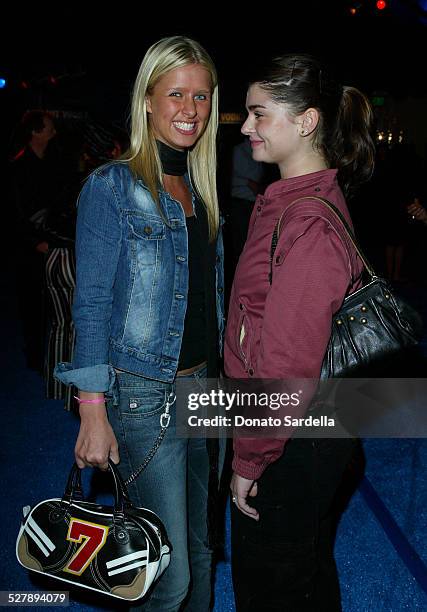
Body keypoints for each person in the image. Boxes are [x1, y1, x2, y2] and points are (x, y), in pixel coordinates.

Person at [55, 36, 224, 611]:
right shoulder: (112, 187)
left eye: (201, 96)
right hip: (144, 398)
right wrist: (92, 411)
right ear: (147, 100)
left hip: (205, 389)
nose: (191, 109)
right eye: (176, 93)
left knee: (201, 550)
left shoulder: (203, 192)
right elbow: (92, 305)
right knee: (165, 576)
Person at [224, 54, 375, 611]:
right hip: (304, 427)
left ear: (306, 122)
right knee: (304, 568)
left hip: (292, 437)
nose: (245, 127)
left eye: (259, 114)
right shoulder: (290, 200)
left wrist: (249, 460)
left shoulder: (306, 221)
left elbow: (287, 364)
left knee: (274, 585)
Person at [10, 110, 58, 371]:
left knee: (50, 302)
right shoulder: (17, 168)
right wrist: (33, 242)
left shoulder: (48, 163)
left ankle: (46, 352)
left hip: (48, 243)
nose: (55, 131)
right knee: (31, 301)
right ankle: (35, 357)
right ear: (36, 131)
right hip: (29, 248)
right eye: (49, 127)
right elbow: (14, 216)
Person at [229, 138, 264, 263]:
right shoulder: (238, 150)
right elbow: (227, 177)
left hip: (254, 202)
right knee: (241, 242)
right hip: (239, 201)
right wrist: (248, 183)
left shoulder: (262, 150)